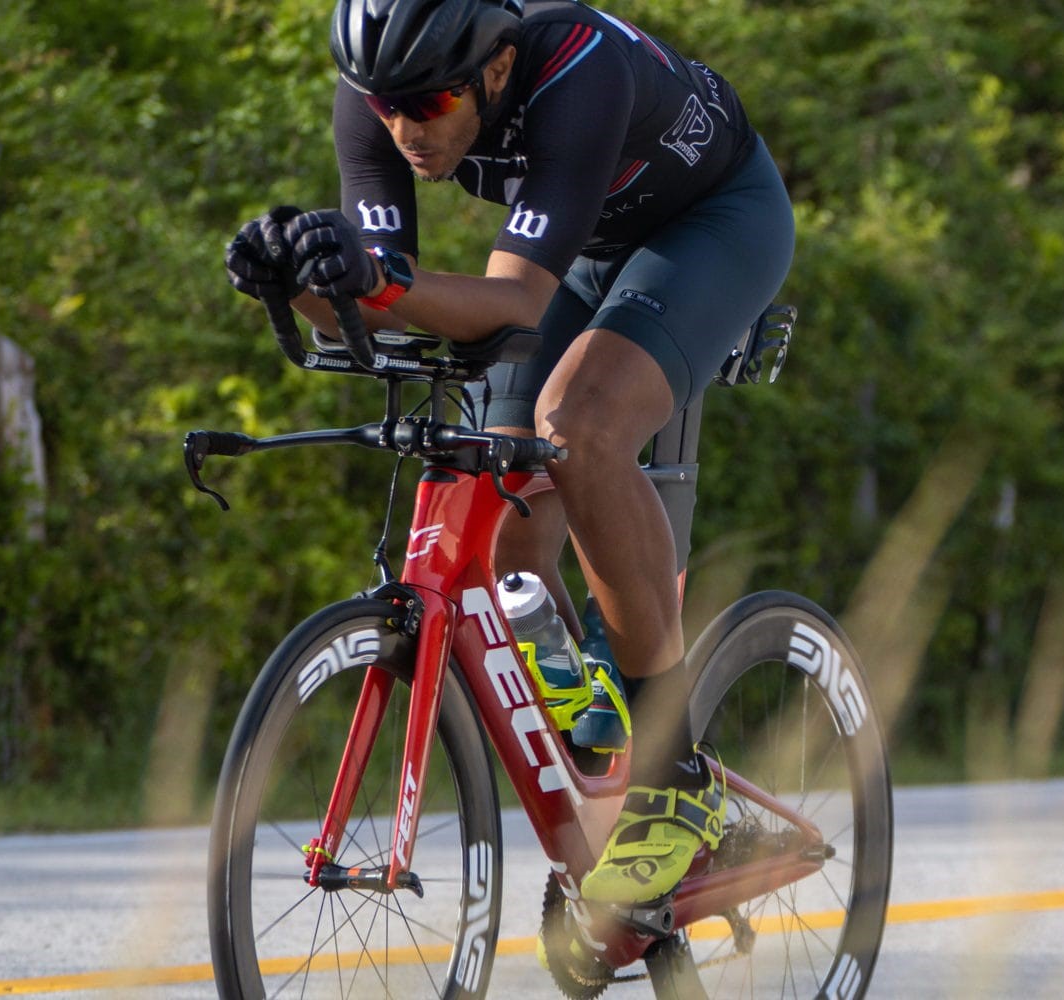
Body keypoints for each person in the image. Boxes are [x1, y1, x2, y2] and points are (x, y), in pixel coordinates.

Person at [222, 0, 795, 915]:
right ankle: (588, 732)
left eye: (431, 102)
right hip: (586, 248)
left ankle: (671, 769)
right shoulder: (378, 91)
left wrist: (376, 280)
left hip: (711, 228)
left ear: (494, 68)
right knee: (507, 530)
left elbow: (510, 304)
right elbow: (379, 294)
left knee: (580, 424)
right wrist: (304, 282)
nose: (407, 129)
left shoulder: (578, 65)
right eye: (387, 108)